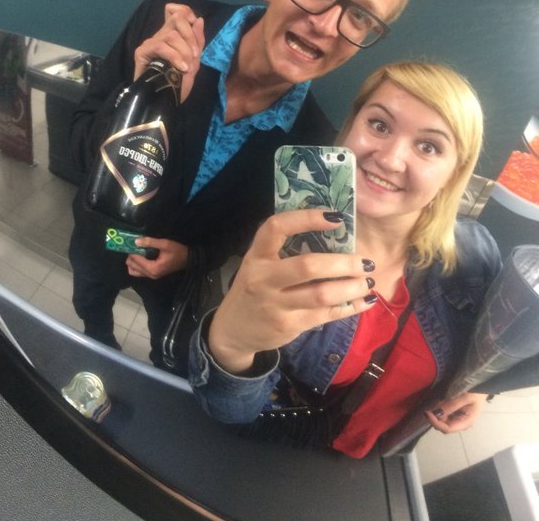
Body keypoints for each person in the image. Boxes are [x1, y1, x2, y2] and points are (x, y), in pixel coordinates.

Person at [68, 0, 427, 373]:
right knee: (90, 310)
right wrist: (141, 97)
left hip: (180, 274)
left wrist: (194, 257)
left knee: (175, 360)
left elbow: (249, 231)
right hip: (99, 236)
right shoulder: (166, 26)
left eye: (360, 16)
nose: (325, 25)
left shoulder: (312, 145)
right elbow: (79, 145)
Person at [188, 61, 502, 457]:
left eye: (428, 147)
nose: (389, 159)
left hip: (384, 456)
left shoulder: (476, 254)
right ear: (351, 126)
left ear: (453, 174)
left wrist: (480, 387)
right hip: (288, 453)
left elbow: (494, 340)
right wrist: (230, 346)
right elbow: (230, 411)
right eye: (379, 125)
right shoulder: (288, 255)